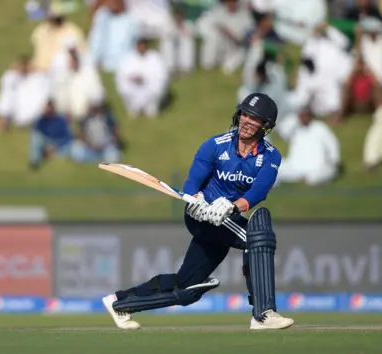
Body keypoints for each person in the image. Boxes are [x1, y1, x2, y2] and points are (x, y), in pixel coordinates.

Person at [101, 93, 295, 330]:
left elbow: (259, 191)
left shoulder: (270, 156)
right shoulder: (215, 145)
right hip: (200, 216)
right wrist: (196, 200)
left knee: (187, 287)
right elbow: (193, 182)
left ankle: (121, 303)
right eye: (244, 113)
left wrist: (233, 207)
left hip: (227, 217)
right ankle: (263, 313)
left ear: (265, 125)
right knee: (257, 237)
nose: (246, 120)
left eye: (253, 118)